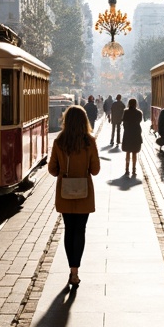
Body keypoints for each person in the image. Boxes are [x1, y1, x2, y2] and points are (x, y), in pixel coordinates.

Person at [47, 104, 100, 289]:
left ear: (66, 121)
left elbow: (52, 169)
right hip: (84, 192)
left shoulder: (59, 141)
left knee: (69, 230)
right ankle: (76, 271)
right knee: (80, 231)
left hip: (65, 192)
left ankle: (72, 270)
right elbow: (95, 170)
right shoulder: (89, 141)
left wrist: (64, 171)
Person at [120, 98, 143, 177]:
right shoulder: (139, 113)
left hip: (128, 134)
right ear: (135, 104)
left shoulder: (125, 112)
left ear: (129, 104)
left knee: (127, 152)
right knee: (134, 153)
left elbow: (124, 122)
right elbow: (139, 121)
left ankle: (126, 169)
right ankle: (134, 169)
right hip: (136, 134)